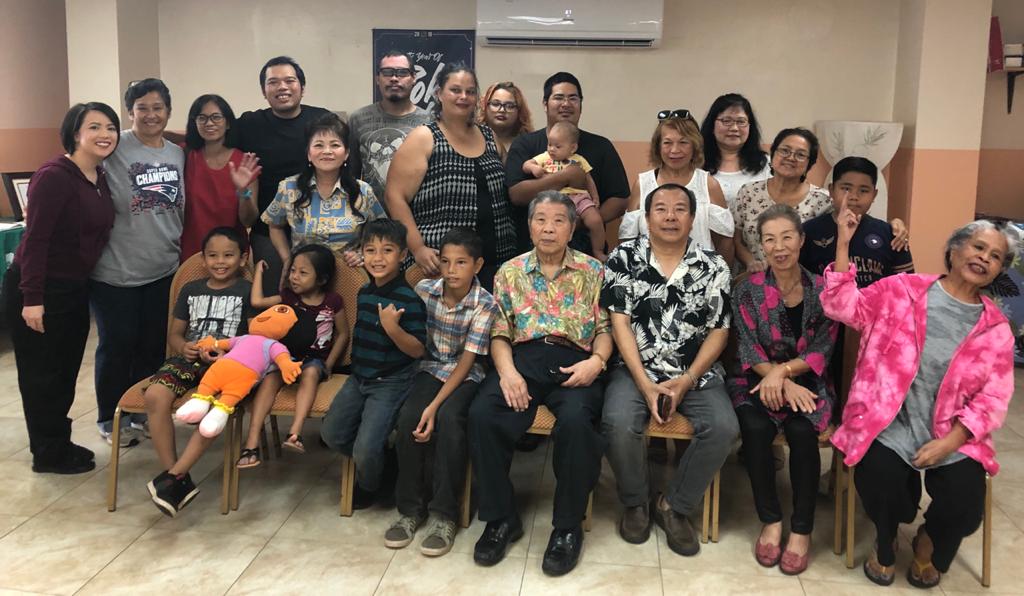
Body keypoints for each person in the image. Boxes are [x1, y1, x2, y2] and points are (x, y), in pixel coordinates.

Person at [821, 217, 1019, 589]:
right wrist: (844, 247)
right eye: (978, 247)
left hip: (953, 431)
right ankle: (885, 538)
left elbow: (994, 396)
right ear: (954, 249)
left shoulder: (995, 329)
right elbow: (844, 308)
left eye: (995, 257)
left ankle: (928, 543)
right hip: (888, 419)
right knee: (880, 480)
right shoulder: (902, 290)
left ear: (998, 271)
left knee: (965, 504)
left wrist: (953, 440)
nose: (984, 258)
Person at [468, 191, 611, 577]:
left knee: (580, 425)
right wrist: (508, 372)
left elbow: (604, 329)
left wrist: (596, 363)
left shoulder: (593, 271)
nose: (548, 228)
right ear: (529, 225)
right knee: (483, 414)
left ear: (572, 226)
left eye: (558, 220)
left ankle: (567, 528)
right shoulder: (509, 272)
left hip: (576, 361)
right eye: (540, 219)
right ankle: (500, 519)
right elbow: (499, 332)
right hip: (523, 360)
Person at [601, 183, 737, 557]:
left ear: (693, 218)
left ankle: (674, 507)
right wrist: (645, 384)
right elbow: (619, 323)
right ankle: (636, 501)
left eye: (680, 209)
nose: (671, 216)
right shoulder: (623, 258)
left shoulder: (714, 266)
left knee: (724, 428)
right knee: (616, 421)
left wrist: (688, 379)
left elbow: (719, 331)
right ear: (647, 218)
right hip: (634, 369)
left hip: (696, 374)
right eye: (661, 209)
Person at [3, 102, 119, 474]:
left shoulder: (97, 177)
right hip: (39, 289)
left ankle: (58, 440)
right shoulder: (54, 176)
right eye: (95, 127)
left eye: (111, 128)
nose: (105, 134)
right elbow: (35, 240)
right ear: (74, 133)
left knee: (65, 370)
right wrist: (32, 299)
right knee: (42, 374)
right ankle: (47, 453)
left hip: (73, 288)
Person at [728, 204, 838, 575]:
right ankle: (771, 520)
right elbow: (746, 346)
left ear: (802, 239)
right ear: (761, 245)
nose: (779, 246)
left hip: (808, 382)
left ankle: (802, 529)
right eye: (769, 239)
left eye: (787, 236)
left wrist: (785, 376)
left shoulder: (822, 290)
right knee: (756, 429)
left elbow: (824, 346)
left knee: (802, 431)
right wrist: (774, 378)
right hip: (754, 379)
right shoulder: (748, 290)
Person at [386, 227, 498, 557]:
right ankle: (409, 509)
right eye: (446, 261)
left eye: (461, 263)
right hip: (428, 369)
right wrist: (425, 406)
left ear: (477, 266)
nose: (451, 270)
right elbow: (418, 345)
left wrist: (434, 406)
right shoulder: (424, 290)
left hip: (466, 376)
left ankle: (444, 514)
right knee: (408, 419)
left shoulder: (485, 304)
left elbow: (467, 363)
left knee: (450, 421)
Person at [91, 78, 185, 445]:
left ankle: (142, 411)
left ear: (168, 112)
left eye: (157, 107)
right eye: (142, 108)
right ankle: (109, 417)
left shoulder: (177, 152)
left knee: (150, 345)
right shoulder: (115, 147)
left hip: (163, 267)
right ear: (129, 112)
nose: (150, 114)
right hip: (115, 270)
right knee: (117, 345)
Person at [142, 227, 254, 515]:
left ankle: (176, 475)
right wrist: (184, 347)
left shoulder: (248, 291)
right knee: (155, 396)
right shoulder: (191, 290)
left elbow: (256, 338)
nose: (220, 262)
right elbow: (175, 334)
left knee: (211, 410)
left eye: (228, 255)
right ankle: (174, 477)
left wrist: (226, 351)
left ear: (243, 258)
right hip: (189, 359)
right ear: (203, 259)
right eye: (212, 255)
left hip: (228, 364)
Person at [320, 219, 427, 507]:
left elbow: (418, 350)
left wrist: (393, 328)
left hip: (391, 382)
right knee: (331, 433)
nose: (378, 258)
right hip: (359, 378)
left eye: (387, 250)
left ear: (403, 255)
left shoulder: (409, 299)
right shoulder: (364, 292)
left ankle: (372, 484)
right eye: (370, 250)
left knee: (366, 448)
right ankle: (381, 456)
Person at [385, 63, 517, 290]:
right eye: (455, 90)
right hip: (442, 264)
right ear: (439, 94)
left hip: (497, 260)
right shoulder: (424, 137)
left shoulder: (489, 135)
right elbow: (394, 197)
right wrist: (417, 248)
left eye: (470, 91)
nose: (463, 96)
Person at [239, 243, 347, 466]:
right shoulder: (288, 297)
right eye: (293, 270)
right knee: (269, 379)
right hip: (285, 357)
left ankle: (295, 433)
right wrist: (258, 272)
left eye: (303, 272)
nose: (295, 277)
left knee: (309, 374)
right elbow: (257, 301)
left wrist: (329, 364)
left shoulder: (333, 301)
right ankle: (251, 444)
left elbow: (343, 334)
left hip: (315, 360)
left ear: (322, 279)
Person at [505, 72, 629, 256]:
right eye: (559, 98)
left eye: (573, 98)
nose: (566, 104)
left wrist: (582, 220)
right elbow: (517, 194)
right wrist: (565, 176)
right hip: (533, 254)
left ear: (581, 105)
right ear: (545, 104)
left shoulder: (601, 146)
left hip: (588, 254)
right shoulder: (525, 144)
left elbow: (620, 199)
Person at [235, 56, 331, 295]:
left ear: (302, 87)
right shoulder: (250, 123)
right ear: (263, 90)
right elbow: (210, 133)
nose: (282, 87)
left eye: (290, 80)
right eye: (273, 82)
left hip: (317, 228)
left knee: (322, 301)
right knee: (275, 299)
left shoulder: (322, 120)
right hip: (268, 231)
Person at [260, 112, 385, 268]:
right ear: (308, 154)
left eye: (335, 145)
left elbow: (381, 231)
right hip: (304, 280)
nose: (327, 151)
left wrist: (362, 253)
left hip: (351, 278)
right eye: (319, 145)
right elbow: (274, 225)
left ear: (346, 153)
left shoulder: (363, 190)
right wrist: (287, 260)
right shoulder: (289, 188)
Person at [618, 112, 734, 262]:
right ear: (657, 147)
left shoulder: (708, 184)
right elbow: (627, 239)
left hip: (701, 277)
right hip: (649, 279)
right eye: (667, 143)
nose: (674, 150)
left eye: (683, 142)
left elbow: (724, 241)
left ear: (694, 146)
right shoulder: (642, 183)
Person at [800, 156, 914, 285]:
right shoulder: (809, 232)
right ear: (831, 190)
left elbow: (907, 287)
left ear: (874, 195)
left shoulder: (892, 235)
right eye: (846, 189)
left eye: (864, 190)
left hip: (876, 305)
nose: (854, 197)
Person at [730, 128, 830, 274]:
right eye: (785, 150)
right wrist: (751, 263)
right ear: (773, 153)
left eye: (800, 155)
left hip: (800, 284)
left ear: (810, 163)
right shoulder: (749, 192)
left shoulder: (823, 201)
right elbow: (736, 240)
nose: (791, 157)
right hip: (750, 281)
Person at [179, 94, 259, 262]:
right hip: (191, 253)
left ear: (228, 122)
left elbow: (248, 220)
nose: (209, 123)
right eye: (202, 118)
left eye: (216, 117)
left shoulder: (243, 162)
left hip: (229, 257)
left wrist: (243, 191)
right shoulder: (185, 155)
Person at [348, 49, 432, 202]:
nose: (394, 78)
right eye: (387, 72)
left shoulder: (431, 121)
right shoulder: (358, 119)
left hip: (419, 217)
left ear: (414, 78)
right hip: (372, 217)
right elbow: (351, 174)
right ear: (377, 79)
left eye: (402, 72)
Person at [522, 121, 606, 260]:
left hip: (579, 197)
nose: (552, 149)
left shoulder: (579, 160)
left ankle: (598, 250)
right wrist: (533, 168)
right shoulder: (545, 157)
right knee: (549, 224)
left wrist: (595, 197)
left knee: (595, 220)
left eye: (557, 146)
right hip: (556, 200)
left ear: (572, 148)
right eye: (549, 144)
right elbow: (526, 164)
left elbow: (588, 179)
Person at [699, 93, 771, 209]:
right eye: (726, 121)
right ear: (712, 125)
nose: (734, 128)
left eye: (741, 121)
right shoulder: (696, 162)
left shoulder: (766, 164)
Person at [477, 81, 533, 163]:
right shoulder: (474, 139)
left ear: (519, 111)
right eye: (496, 104)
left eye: (510, 106)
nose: (502, 110)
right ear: (485, 107)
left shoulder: (529, 144)